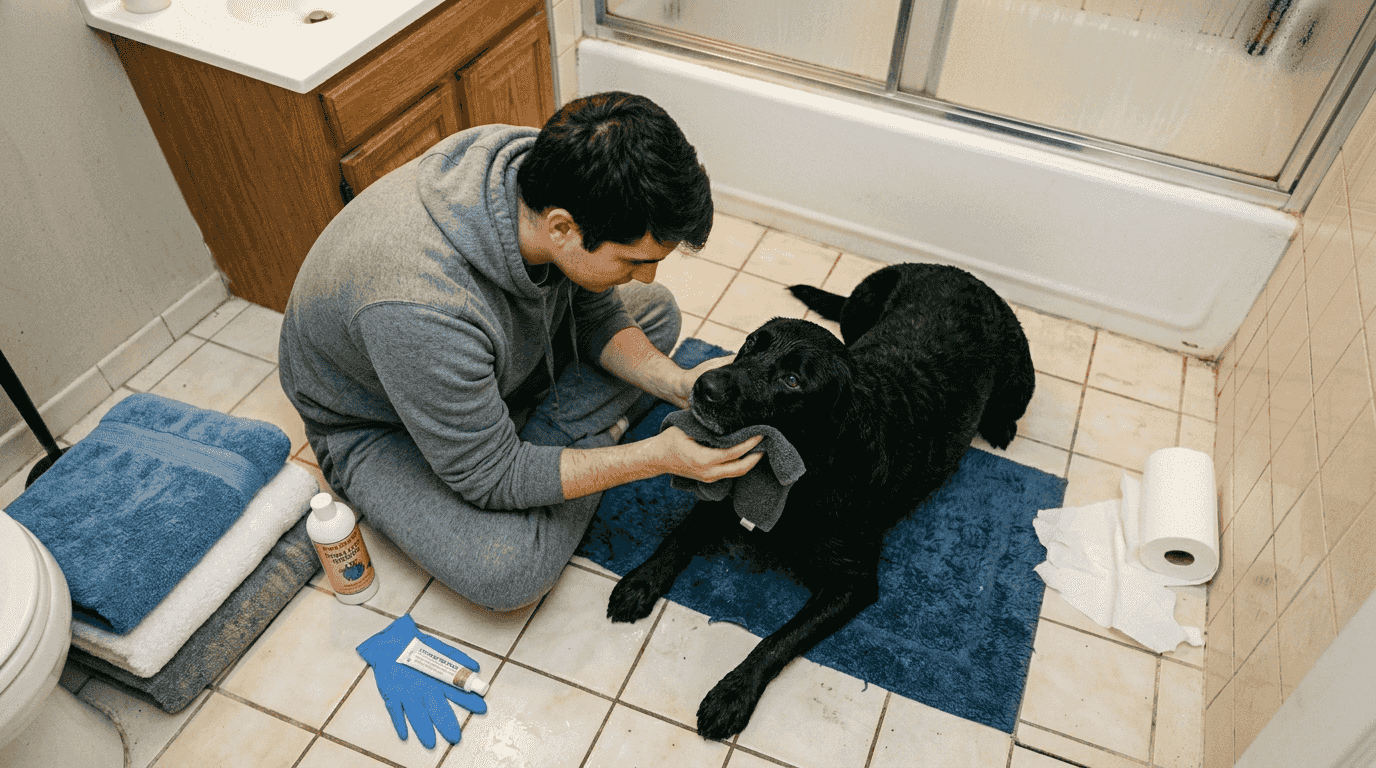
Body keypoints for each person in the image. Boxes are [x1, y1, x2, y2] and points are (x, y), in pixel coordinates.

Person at [278, 92, 762, 611]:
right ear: (560, 227)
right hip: (379, 426)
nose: (646, 272)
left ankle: (543, 444)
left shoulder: (540, 172)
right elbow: (490, 478)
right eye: (634, 260)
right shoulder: (421, 307)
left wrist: (678, 385)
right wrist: (652, 457)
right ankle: (570, 440)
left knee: (656, 310)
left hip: (487, 365)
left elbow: (593, 309)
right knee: (508, 572)